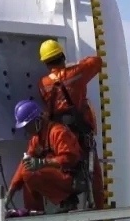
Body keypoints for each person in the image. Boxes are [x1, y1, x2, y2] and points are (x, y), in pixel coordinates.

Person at [37, 39, 105, 210]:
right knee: (94, 173)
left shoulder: (43, 84)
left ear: (46, 63)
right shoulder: (77, 73)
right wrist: (77, 64)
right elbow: (97, 62)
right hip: (80, 131)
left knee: (63, 166)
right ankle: (98, 211)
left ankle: (67, 201)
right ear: (62, 56)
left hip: (58, 134)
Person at [7, 99, 82, 213]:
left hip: (70, 178)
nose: (27, 130)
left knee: (30, 173)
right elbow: (24, 165)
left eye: (28, 126)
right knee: (26, 172)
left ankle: (67, 200)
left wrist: (42, 163)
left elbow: (70, 159)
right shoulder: (36, 139)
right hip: (57, 176)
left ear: (37, 120)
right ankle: (34, 212)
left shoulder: (58, 132)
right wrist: (10, 193)